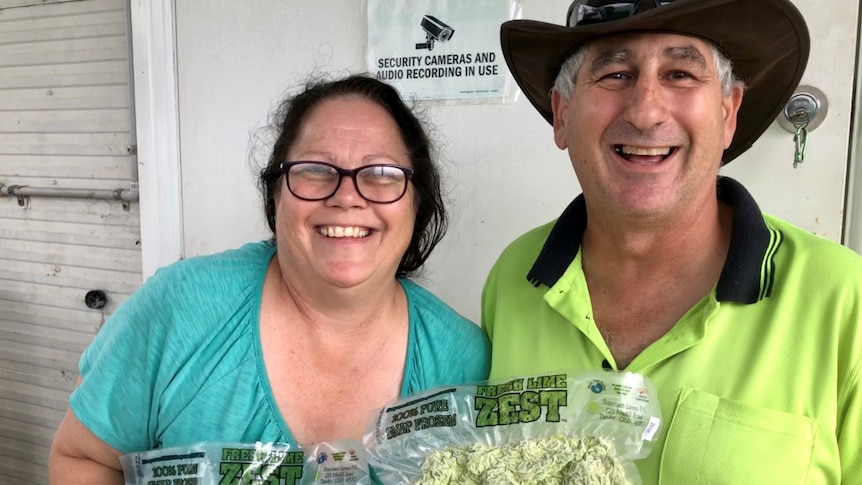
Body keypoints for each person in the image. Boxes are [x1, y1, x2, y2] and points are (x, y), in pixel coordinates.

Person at [482, 0, 861, 483]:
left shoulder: (843, 296)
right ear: (562, 115)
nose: (645, 112)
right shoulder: (514, 276)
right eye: (615, 74)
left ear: (728, 113)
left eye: (680, 74)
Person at [49, 73, 491, 483]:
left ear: (417, 202)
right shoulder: (179, 309)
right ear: (275, 192)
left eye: (381, 174)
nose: (347, 197)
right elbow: (81, 459)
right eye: (316, 169)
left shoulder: (464, 362)